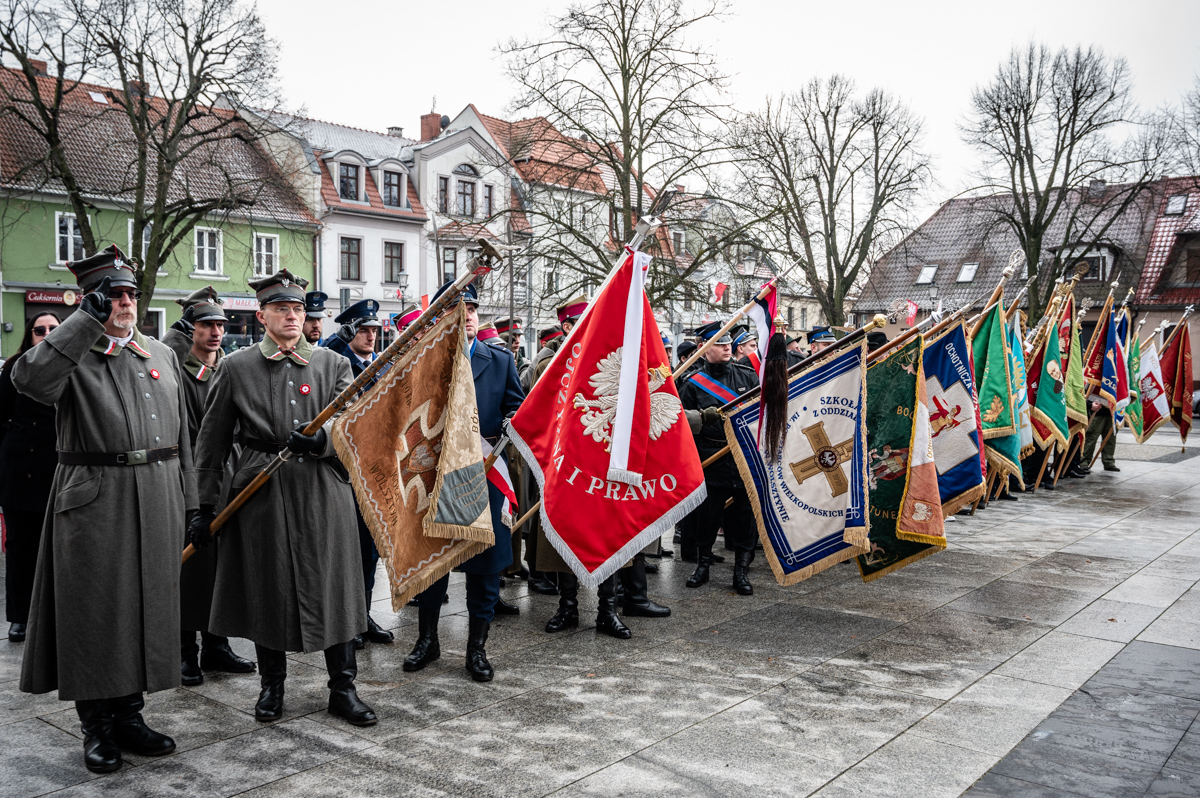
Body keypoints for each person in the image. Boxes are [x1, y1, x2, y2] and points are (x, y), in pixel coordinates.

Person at [13, 245, 192, 772]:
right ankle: (97, 725)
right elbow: (30, 381)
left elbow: (183, 434)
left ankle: (131, 715)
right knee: (97, 612)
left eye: (130, 293)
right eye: (112, 295)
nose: (124, 302)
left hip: (158, 496)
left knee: (144, 607)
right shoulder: (71, 354)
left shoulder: (159, 354)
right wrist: (81, 323)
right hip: (96, 498)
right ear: (91, 301)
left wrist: (187, 498)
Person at [190, 269, 376, 727]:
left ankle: (343, 688)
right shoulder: (236, 367)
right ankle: (272, 686)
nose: (292, 316)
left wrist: (324, 441)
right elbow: (211, 443)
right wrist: (203, 505)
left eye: (297, 310)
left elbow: (355, 426)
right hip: (260, 491)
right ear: (262, 316)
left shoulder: (333, 364)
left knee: (334, 587)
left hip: (321, 490)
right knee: (266, 589)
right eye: (281, 309)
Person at [403, 279, 524, 682]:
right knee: (433, 564)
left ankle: (477, 648)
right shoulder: (423, 360)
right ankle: (427, 640)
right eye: (459, 310)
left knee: (484, 566)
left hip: (484, 470)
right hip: (435, 472)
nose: (468, 316)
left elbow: (516, 406)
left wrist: (512, 420)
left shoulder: (500, 360)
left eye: (472, 310)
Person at [163, 287, 256, 686]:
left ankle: (217, 646)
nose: (216, 331)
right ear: (190, 328)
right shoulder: (177, 370)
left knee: (222, 569)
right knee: (193, 570)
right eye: (205, 324)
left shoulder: (231, 368)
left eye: (220, 323)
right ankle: (186, 652)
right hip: (194, 479)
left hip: (230, 476)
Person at [321, 299, 395, 648]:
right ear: (349, 332)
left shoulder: (380, 367)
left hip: (375, 470)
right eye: (364, 330)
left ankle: (362, 617)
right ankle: (344, 621)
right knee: (345, 552)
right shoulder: (338, 366)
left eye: (375, 331)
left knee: (369, 552)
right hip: (343, 473)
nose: (371, 336)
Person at [678, 320, 760, 595]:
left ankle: (741, 571)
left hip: (740, 456)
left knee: (744, 516)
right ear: (704, 348)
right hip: (708, 458)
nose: (727, 348)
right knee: (707, 516)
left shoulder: (747, 376)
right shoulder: (691, 383)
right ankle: (702, 566)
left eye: (728, 344)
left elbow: (759, 415)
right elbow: (681, 423)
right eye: (720, 344)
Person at [0, 312, 60, 642]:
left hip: (58, 471)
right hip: (21, 472)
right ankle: (19, 617)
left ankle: (53, 614)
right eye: (40, 330)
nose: (47, 334)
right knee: (21, 549)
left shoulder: (72, 365)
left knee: (57, 550)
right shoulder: (14, 367)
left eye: (54, 329)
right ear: (30, 334)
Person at [1080, 399, 1119, 473]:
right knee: (1091, 439)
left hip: (1113, 412)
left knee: (1110, 439)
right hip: (1098, 411)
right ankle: (1084, 461)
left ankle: (1109, 461)